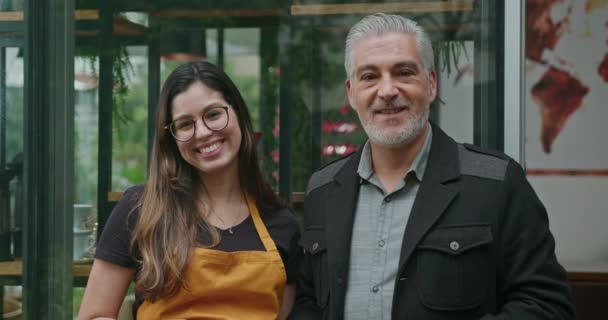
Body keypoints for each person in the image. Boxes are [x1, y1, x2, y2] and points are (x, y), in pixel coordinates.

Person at [290, 13, 574, 320]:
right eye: (370, 76)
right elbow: (309, 302)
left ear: (431, 83)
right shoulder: (324, 189)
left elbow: (546, 305)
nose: (386, 90)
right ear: (351, 92)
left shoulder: (495, 183)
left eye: (404, 72)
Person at [79, 61, 301, 320]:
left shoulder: (280, 222)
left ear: (238, 113)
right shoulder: (142, 208)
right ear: (172, 139)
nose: (203, 132)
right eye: (185, 124)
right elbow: (94, 315)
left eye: (214, 115)